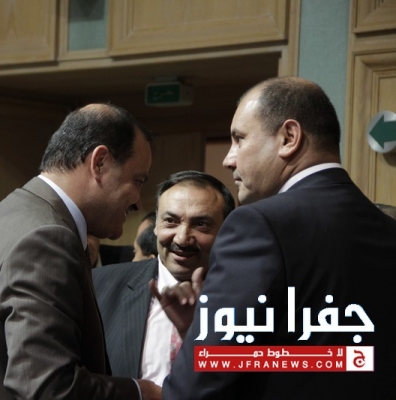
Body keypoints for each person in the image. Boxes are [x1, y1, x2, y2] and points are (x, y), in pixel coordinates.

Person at [163, 77, 396, 399]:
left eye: (239, 139)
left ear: (289, 138)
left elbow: (198, 386)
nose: (229, 159)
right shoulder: (388, 227)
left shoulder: (257, 224)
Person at [0, 103, 162, 399]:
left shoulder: (7, 216)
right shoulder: (46, 237)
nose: (138, 201)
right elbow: (46, 386)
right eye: (137, 181)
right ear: (99, 163)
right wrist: (141, 392)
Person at [93, 171, 235, 385]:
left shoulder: (253, 297)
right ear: (156, 226)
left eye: (201, 224)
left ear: (226, 231)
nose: (182, 238)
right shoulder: (100, 285)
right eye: (170, 221)